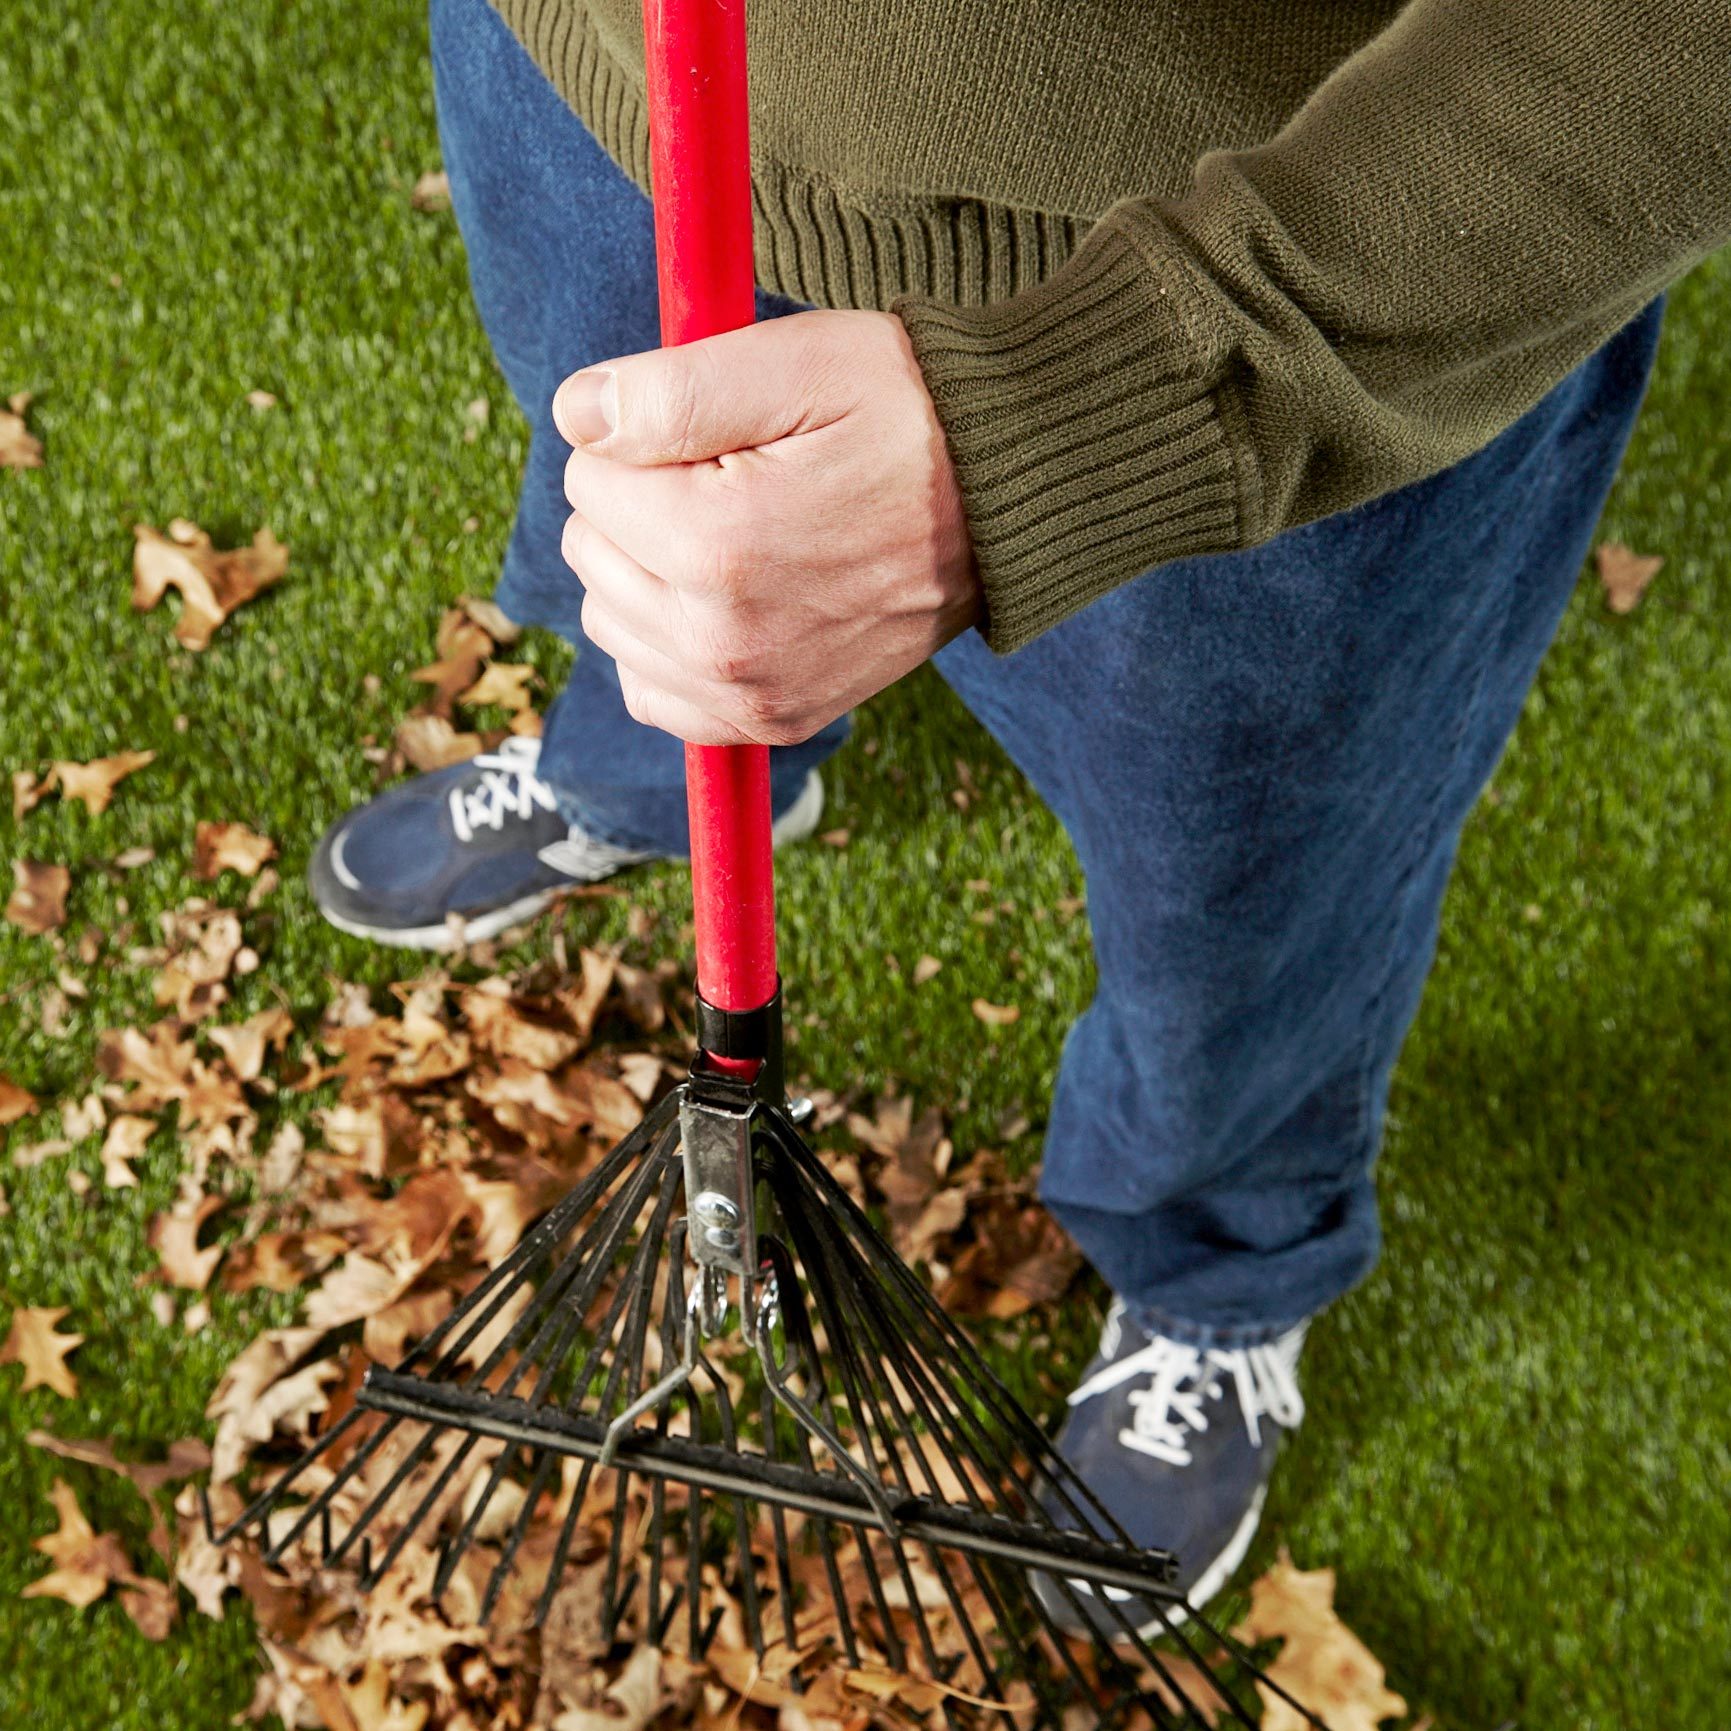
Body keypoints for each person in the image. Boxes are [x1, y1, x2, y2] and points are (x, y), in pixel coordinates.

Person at [309, 0, 1731, 1628]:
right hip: (593, 85)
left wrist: (1084, 421)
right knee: (653, 572)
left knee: (1252, 889)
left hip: (1235, 241)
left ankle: (1214, 1262)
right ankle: (650, 779)